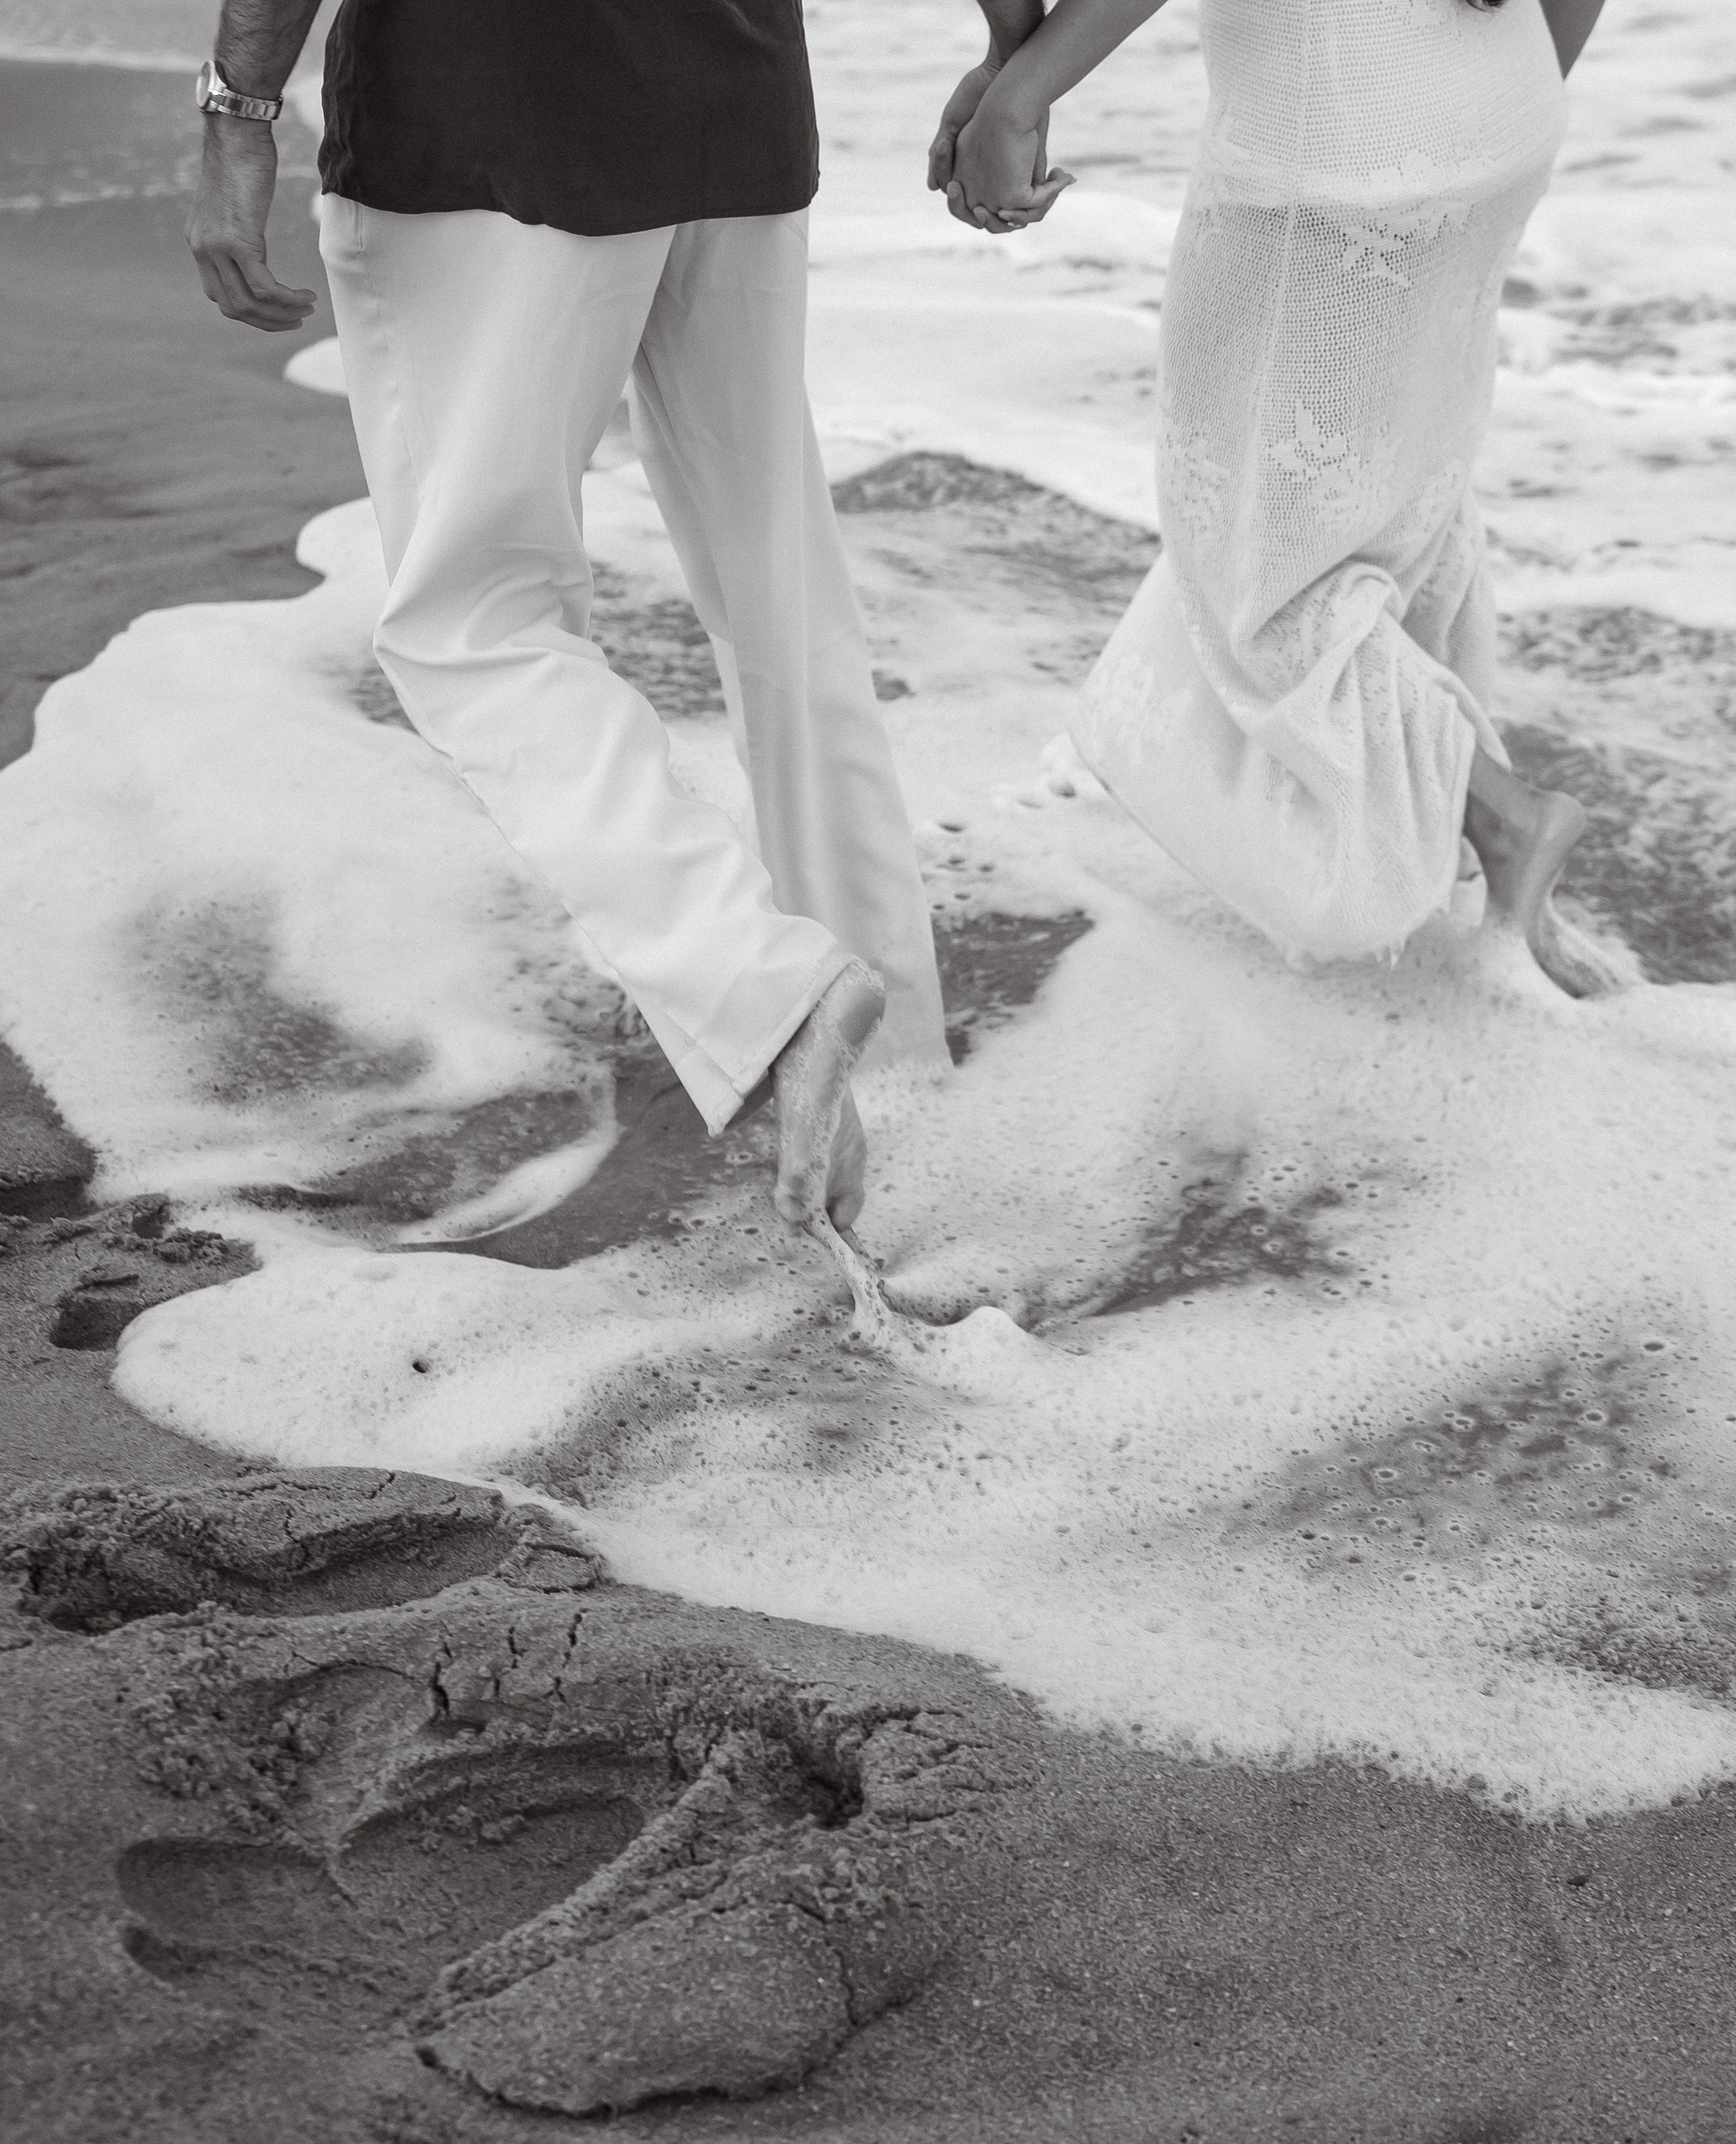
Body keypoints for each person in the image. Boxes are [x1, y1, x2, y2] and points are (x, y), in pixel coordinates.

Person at [186, 0, 950, 1238]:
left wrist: (236, 112)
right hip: (736, 104)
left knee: (473, 627)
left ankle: (771, 995)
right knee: (782, 598)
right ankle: (901, 1089)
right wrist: (1015, 54)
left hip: (492, 115)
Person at [932, 0, 1621, 993]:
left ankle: (1504, 820)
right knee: (1391, 502)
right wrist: (1481, 109)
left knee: (1256, 552)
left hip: (1332, 144)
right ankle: (1445, 837)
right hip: (1500, 112)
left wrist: (1019, 85)